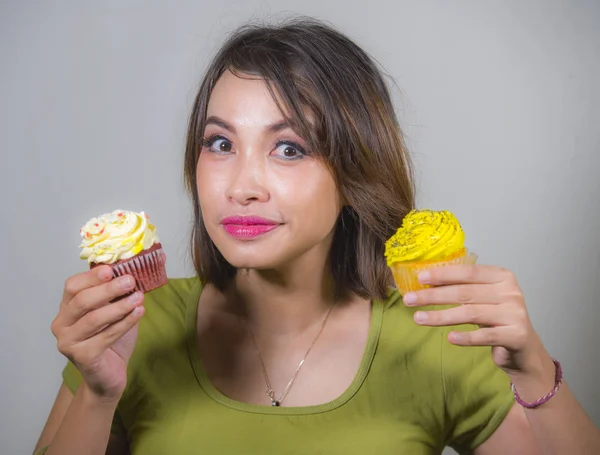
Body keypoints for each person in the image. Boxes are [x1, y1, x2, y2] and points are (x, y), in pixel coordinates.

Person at [35, 17, 599, 455]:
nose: (241, 186)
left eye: (289, 148)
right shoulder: (139, 325)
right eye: (220, 143)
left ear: (355, 173)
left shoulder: (436, 338)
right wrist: (98, 393)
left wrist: (534, 370)